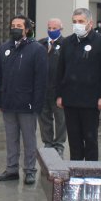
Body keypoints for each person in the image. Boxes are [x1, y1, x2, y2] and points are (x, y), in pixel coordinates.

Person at [0, 15, 47, 185]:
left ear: (27, 29)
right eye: (13, 25)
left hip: (27, 104)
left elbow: (41, 79)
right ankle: (11, 169)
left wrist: (37, 104)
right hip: (8, 102)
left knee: (29, 139)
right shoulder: (4, 48)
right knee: (11, 138)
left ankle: (30, 170)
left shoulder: (37, 49)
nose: (15, 28)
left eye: (19, 25)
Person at [56, 8, 101, 161]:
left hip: (91, 100)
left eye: (81, 21)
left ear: (90, 23)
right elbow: (61, 70)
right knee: (74, 140)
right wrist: (60, 94)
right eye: (74, 22)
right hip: (70, 99)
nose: (77, 25)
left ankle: (90, 172)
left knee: (90, 139)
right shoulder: (68, 42)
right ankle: (75, 170)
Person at [37, 18, 66, 157]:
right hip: (42, 89)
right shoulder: (40, 44)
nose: (52, 30)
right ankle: (47, 142)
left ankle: (59, 144)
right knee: (44, 118)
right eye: (50, 27)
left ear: (61, 29)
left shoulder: (65, 44)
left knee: (61, 119)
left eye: (55, 28)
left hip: (58, 89)